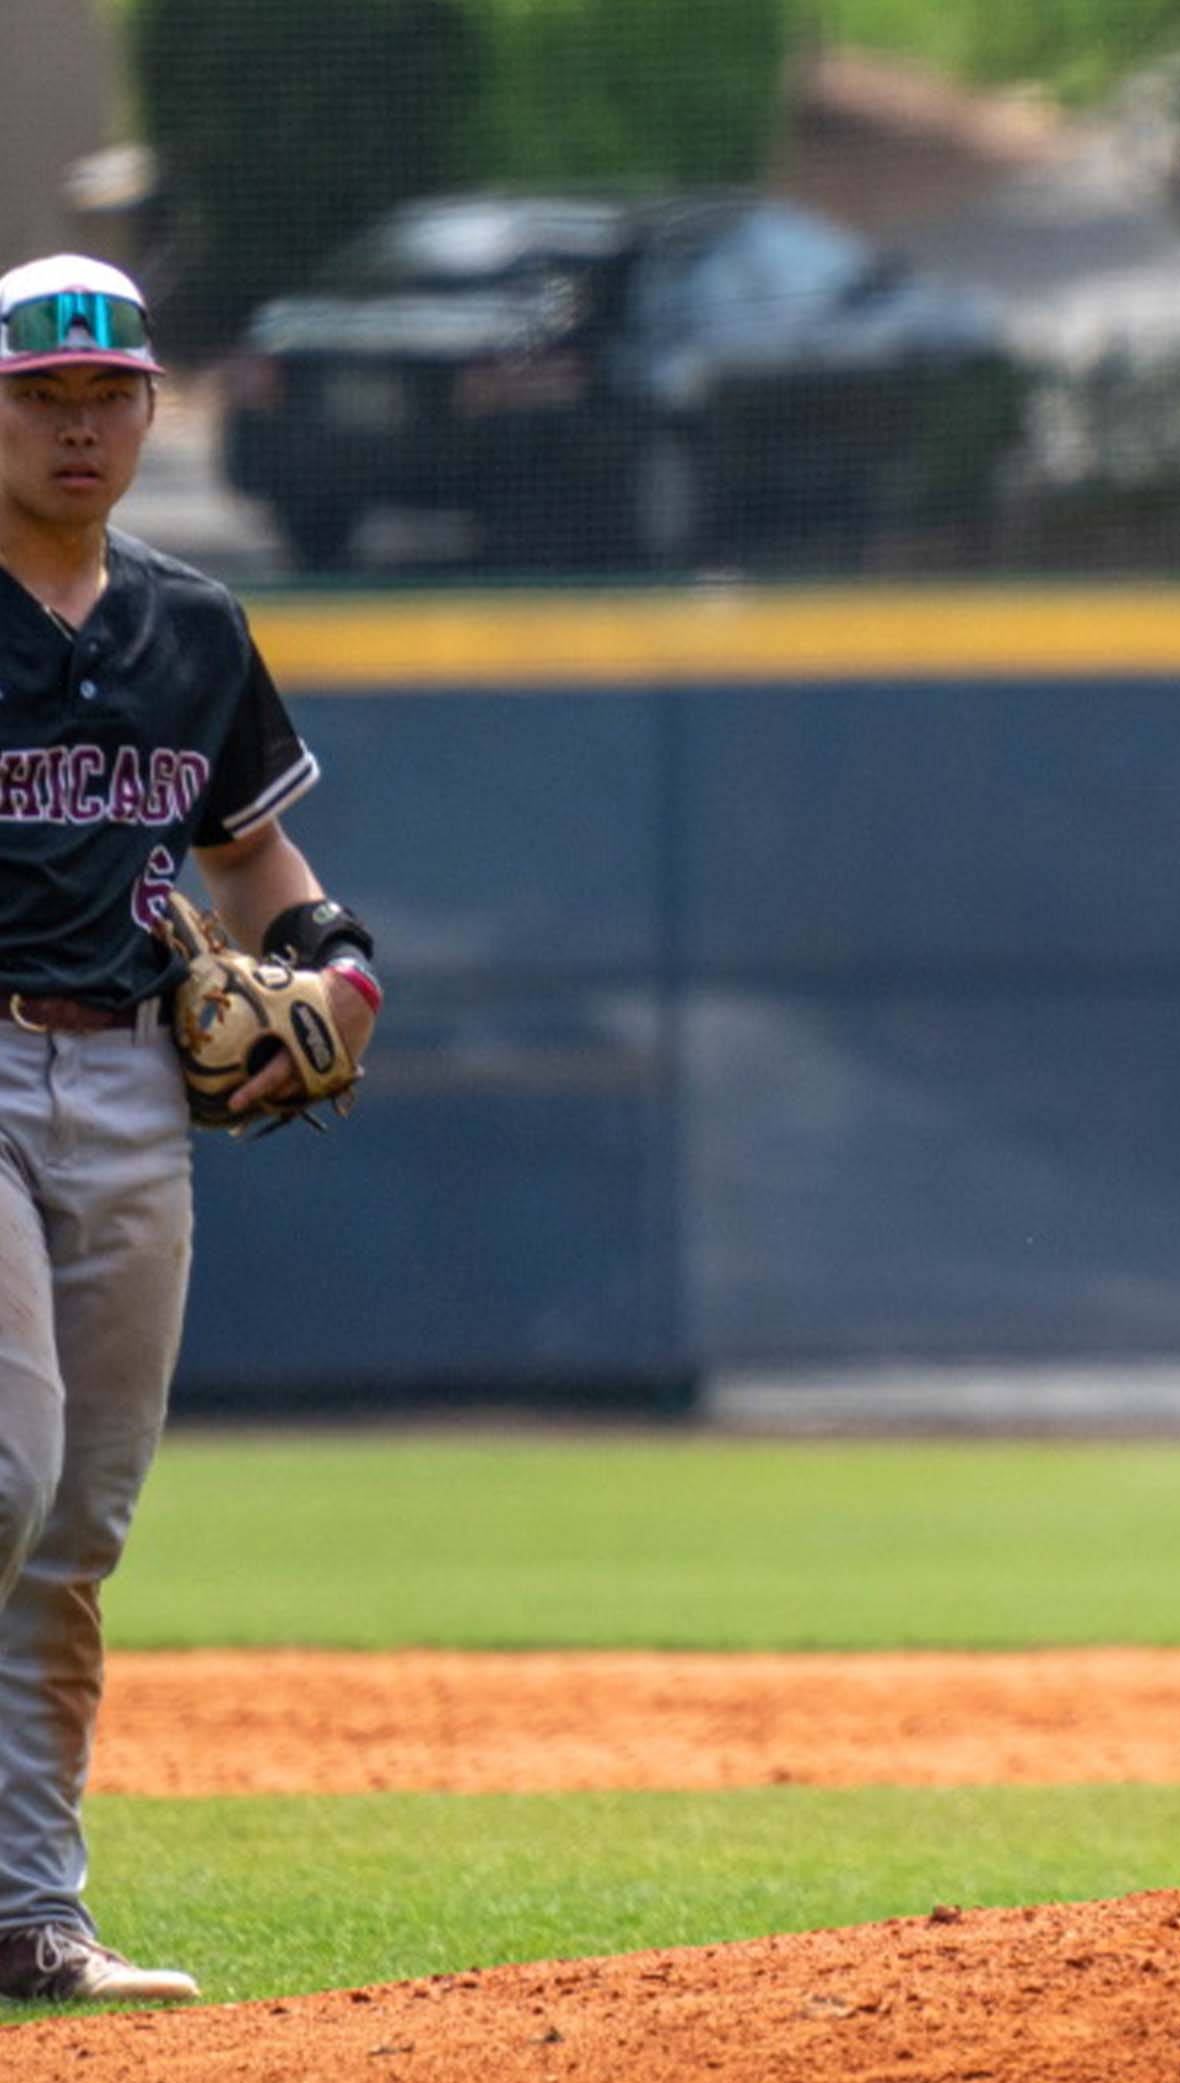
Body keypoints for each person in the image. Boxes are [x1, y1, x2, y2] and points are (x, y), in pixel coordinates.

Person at [0, 255, 375, 2001]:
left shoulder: (194, 626)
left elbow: (256, 859)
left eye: (107, 396)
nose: (77, 426)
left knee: (79, 1516)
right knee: (2, 1470)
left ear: (155, 409)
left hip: (139, 1084)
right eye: (39, 397)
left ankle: (28, 1907)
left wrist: (337, 962)